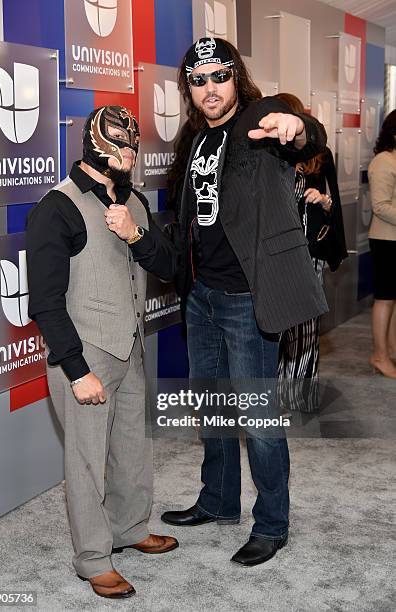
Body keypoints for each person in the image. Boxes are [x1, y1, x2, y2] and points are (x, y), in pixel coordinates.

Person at [160, 37, 328, 567]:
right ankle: (217, 501)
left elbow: (304, 136)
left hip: (247, 296)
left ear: (237, 78)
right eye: (198, 78)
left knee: (258, 420)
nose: (209, 87)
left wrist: (298, 129)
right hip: (202, 295)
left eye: (219, 75)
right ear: (188, 88)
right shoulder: (192, 138)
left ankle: (273, 524)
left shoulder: (261, 119)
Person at [26, 106, 179, 600]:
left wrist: (133, 232)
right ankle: (93, 558)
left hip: (129, 346)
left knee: (134, 445)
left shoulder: (134, 200)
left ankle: (131, 528)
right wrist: (76, 369)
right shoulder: (58, 206)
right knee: (88, 461)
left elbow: (169, 265)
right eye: (120, 141)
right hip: (85, 354)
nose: (129, 151)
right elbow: (45, 302)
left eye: (133, 143)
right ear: (96, 143)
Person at [275, 93, 347, 412]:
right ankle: (276, 392)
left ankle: (299, 395)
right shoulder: (269, 157)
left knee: (305, 326)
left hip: (311, 251)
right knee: (277, 324)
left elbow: (333, 205)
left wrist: (323, 201)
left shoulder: (320, 154)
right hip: (279, 253)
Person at [368, 109, 396, 378]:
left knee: (393, 299)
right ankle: (379, 355)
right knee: (385, 298)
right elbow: (380, 206)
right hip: (386, 240)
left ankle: (390, 350)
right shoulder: (384, 162)